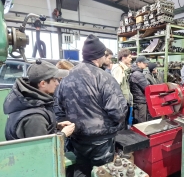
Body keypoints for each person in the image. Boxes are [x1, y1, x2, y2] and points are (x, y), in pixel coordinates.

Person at [54, 34, 128, 177]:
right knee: (102, 172)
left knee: (81, 171)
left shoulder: (67, 78)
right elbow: (118, 112)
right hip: (101, 142)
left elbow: (58, 109)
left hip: (76, 138)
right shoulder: (104, 78)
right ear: (99, 56)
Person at [4, 60, 75, 140]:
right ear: (43, 84)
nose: (57, 83)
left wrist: (55, 126)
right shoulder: (35, 117)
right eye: (54, 80)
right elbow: (40, 149)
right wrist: (63, 134)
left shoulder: (29, 102)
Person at [129, 56, 149, 123]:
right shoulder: (137, 74)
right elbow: (147, 87)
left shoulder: (137, 72)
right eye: (144, 63)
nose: (146, 64)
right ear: (138, 63)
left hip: (138, 101)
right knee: (141, 123)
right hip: (140, 102)